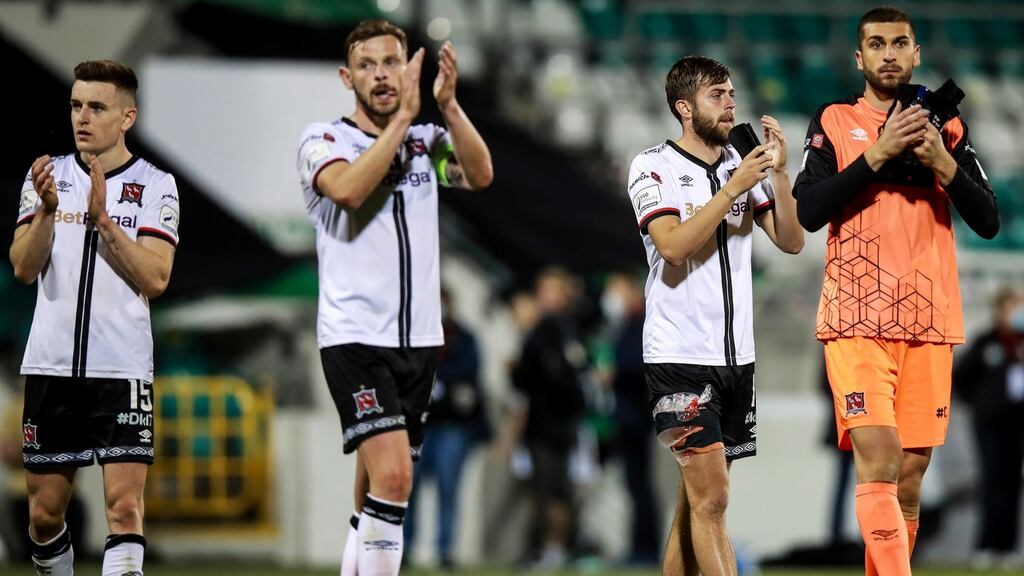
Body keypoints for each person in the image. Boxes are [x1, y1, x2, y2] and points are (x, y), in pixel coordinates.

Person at [793, 6, 999, 575]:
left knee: (908, 479)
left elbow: (988, 220)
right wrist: (877, 155)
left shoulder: (947, 128)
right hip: (856, 318)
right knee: (878, 456)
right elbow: (808, 210)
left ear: (916, 54)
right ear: (859, 58)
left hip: (931, 321)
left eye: (899, 43)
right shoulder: (834, 119)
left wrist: (942, 163)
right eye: (876, 44)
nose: (889, 53)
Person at [295, 19, 493, 576]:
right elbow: (350, 190)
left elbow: (479, 175)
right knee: (397, 480)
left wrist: (448, 109)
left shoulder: (424, 143)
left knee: (376, 497)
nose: (381, 76)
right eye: (367, 65)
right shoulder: (324, 140)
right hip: (356, 337)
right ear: (346, 76)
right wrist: (406, 115)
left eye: (391, 63)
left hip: (420, 341)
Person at [626, 55, 803, 575]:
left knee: (695, 503)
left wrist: (781, 174)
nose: (730, 103)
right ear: (684, 108)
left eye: (731, 93)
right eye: (716, 95)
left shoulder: (742, 162)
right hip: (678, 354)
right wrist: (734, 188)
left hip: (736, 359)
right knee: (713, 501)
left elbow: (792, 241)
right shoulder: (653, 165)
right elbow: (674, 247)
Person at [9, 60, 180, 576]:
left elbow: (155, 277)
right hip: (51, 367)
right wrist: (44, 211)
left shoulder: (156, 184)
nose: (82, 117)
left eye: (97, 107)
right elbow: (22, 267)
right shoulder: (45, 176)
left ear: (127, 116)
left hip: (121, 370)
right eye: (76, 105)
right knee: (43, 516)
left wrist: (104, 222)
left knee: (125, 510)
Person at [508, 267, 589, 570]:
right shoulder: (545, 329)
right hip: (545, 420)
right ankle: (546, 546)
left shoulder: (558, 329)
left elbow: (556, 375)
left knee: (554, 487)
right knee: (545, 486)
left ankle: (554, 546)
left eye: (551, 290)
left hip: (556, 420)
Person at [404, 286, 489, 570]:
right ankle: (405, 548)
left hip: (452, 426)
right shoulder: (412, 336)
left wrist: (439, 387)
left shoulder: (464, 339)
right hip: (418, 425)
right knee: (408, 488)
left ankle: (445, 549)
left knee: (448, 488)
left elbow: (468, 385)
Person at [953, 287, 1024, 570]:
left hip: (1018, 423)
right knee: (992, 482)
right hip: (990, 425)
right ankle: (985, 545)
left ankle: (1009, 547)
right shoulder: (987, 341)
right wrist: (980, 405)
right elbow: (961, 377)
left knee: (1012, 484)